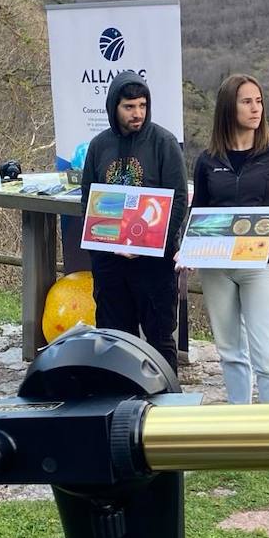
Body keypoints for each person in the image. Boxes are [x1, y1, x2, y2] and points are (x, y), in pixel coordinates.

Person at [189, 73, 269, 403]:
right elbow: (199, 214)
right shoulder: (208, 160)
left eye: (259, 100)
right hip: (217, 268)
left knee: (267, 357)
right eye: (246, 101)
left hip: (262, 264)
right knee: (229, 352)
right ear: (229, 107)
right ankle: (239, 425)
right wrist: (187, 252)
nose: (256, 108)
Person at [80, 69, 188, 374]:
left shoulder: (164, 143)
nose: (137, 113)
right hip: (110, 262)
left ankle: (165, 404)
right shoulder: (99, 145)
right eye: (129, 107)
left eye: (142, 105)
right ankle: (117, 400)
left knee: (159, 339)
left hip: (153, 262)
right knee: (115, 337)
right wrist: (107, 244)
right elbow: (89, 199)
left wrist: (148, 245)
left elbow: (177, 200)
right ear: (114, 107)